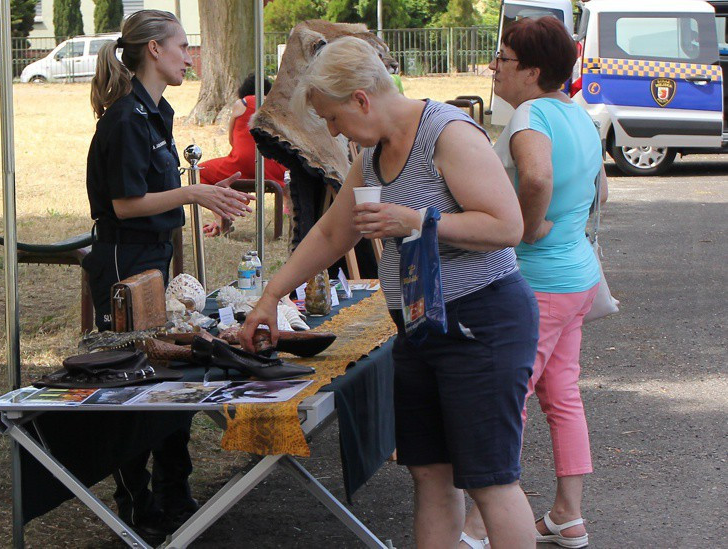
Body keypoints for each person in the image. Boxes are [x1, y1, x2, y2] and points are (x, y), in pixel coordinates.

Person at [239, 36, 540, 548]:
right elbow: (335, 233)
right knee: (429, 473)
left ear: (361, 98)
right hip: (420, 326)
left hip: (482, 321)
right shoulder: (374, 157)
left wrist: (417, 220)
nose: (333, 132)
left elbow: (507, 226)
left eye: (333, 118)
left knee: (490, 480)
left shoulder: (448, 133)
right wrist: (271, 296)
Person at [82, 9, 253, 543]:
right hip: (124, 261)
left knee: (171, 372)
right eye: (182, 45)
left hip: (153, 256)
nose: (189, 55)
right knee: (135, 378)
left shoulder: (157, 112)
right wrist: (195, 191)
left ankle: (173, 492)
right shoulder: (126, 118)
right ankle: (135, 505)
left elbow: (154, 199)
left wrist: (206, 200)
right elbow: (126, 204)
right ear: (153, 49)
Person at [460, 17, 606, 549]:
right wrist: (554, 222)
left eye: (503, 58)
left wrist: (519, 229)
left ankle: (480, 525)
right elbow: (601, 192)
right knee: (563, 396)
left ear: (533, 70)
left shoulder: (529, 114)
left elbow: (538, 177)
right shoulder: (580, 114)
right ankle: (568, 514)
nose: (494, 67)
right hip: (576, 279)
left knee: (506, 398)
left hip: (538, 282)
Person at [198, 73, 288, 236]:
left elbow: (232, 138)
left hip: (241, 165)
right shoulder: (275, 105)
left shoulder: (242, 104)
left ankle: (220, 217)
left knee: (200, 171)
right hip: (272, 165)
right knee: (288, 174)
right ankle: (288, 209)